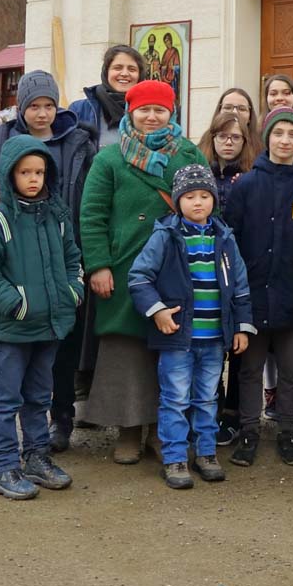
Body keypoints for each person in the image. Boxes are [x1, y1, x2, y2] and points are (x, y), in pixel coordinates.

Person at [80, 78, 210, 465]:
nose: (152, 117)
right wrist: (99, 265)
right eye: (144, 110)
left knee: (172, 352)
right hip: (124, 270)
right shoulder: (109, 158)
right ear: (131, 112)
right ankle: (128, 430)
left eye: (160, 110)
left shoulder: (188, 154)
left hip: (178, 270)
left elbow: (209, 207)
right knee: (128, 350)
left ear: (172, 113)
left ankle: (160, 432)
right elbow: (92, 215)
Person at [0, 71, 100, 450]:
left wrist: (73, 284)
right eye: (34, 106)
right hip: (18, 255)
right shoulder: (2, 138)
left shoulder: (79, 140)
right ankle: (2, 441)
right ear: (22, 108)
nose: (42, 113)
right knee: (13, 363)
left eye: (49, 105)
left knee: (60, 350)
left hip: (62, 247)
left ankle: (59, 418)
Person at [0, 138, 84, 500]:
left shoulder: (57, 217)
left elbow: (72, 260)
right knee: (6, 398)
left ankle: (37, 457)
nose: (33, 179)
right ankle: (4, 465)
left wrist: (72, 292)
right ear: (10, 175)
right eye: (25, 172)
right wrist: (16, 304)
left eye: (39, 172)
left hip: (50, 325)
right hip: (13, 328)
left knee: (39, 396)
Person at [129, 164, 252, 489]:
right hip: (177, 338)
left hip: (214, 338)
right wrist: (157, 312)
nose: (198, 202)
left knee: (208, 398)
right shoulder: (165, 236)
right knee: (175, 399)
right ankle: (175, 457)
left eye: (204, 196)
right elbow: (139, 278)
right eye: (190, 196)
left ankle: (207, 453)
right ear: (177, 200)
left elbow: (240, 286)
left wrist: (241, 326)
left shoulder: (224, 237)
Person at [223, 107, 293, 469]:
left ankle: (287, 431)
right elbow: (231, 241)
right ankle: (250, 431)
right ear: (267, 137)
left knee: (291, 369)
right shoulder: (247, 184)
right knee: (250, 369)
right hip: (251, 295)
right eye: (279, 133)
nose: (285, 141)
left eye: (292, 134)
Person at [70, 45, 145, 149]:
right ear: (106, 71)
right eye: (117, 68)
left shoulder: (151, 110)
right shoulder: (80, 110)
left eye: (132, 69)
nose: (124, 73)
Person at [202, 111, 254, 187]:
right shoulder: (200, 173)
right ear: (213, 138)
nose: (228, 142)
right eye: (222, 136)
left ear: (244, 141)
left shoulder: (252, 175)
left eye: (236, 137)